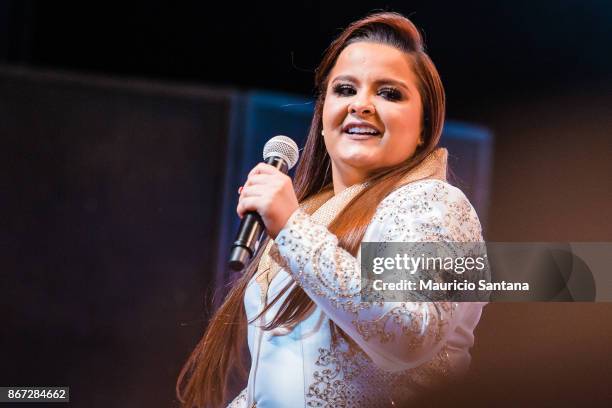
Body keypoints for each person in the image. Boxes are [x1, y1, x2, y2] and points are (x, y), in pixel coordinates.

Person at [177, 11, 486, 408]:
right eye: (344, 90)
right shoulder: (311, 214)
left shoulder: (435, 203)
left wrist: (291, 227)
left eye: (388, 93)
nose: (361, 105)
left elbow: (410, 333)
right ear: (322, 116)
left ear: (424, 126)